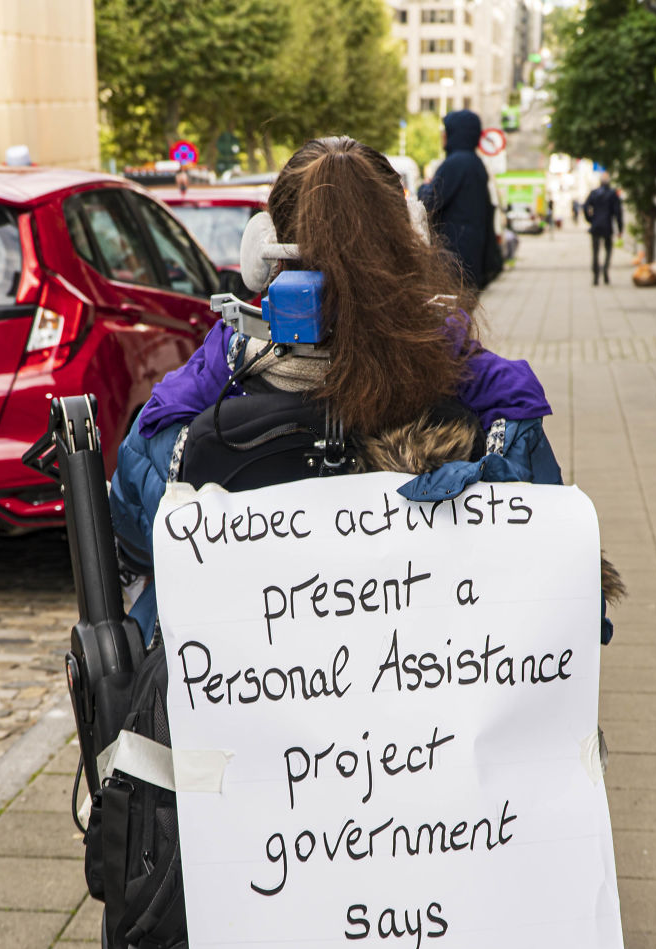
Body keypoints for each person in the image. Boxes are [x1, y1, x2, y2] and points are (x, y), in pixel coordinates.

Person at [109, 136, 620, 643]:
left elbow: (140, 524)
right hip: (432, 674)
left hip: (245, 676)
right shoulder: (481, 384)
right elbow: (555, 568)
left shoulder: (211, 377)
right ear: (412, 234)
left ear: (263, 247)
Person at [418, 110, 499, 292]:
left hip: (455, 254)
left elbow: (429, 201)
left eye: (446, 130)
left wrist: (423, 187)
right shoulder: (475, 163)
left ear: (456, 133)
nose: (443, 135)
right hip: (472, 252)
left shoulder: (455, 164)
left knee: (453, 313)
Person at [583, 173, 623, 285]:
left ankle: (596, 276)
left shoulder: (594, 193)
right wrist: (620, 228)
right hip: (607, 225)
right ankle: (605, 270)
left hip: (595, 225)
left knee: (595, 252)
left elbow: (585, 207)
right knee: (608, 250)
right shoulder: (612, 194)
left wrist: (590, 219)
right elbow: (618, 213)